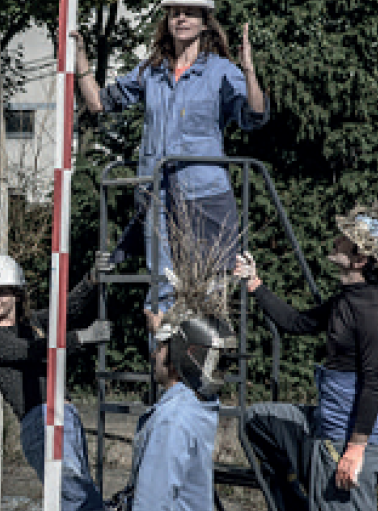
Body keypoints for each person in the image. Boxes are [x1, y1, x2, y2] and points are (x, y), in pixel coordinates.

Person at [233, 156, 378, 511]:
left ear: (360, 257)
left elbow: (374, 383)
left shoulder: (373, 312)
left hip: (344, 442)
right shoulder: (345, 300)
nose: (338, 239)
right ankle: (296, 509)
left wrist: (355, 450)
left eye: (346, 238)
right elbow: (297, 323)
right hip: (324, 426)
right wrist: (254, 284)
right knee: (256, 420)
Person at [72, 0, 270, 331]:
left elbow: (255, 117)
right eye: (175, 12)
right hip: (155, 193)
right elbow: (99, 104)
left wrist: (249, 70)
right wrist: (79, 57)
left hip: (204, 195)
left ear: (205, 22)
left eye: (190, 13)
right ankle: (167, 376)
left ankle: (202, 373)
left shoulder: (221, 70)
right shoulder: (151, 70)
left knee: (209, 289)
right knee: (161, 289)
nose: (181, 18)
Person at [38, 313, 236, 511]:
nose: (153, 354)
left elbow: (154, 503)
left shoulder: (172, 420)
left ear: (180, 355)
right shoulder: (200, 403)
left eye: (161, 347)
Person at [0, 254, 111, 511]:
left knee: (78, 492)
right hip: (40, 420)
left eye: (1, 292)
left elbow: (68, 309)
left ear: (17, 295)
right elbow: (29, 352)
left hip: (67, 417)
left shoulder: (34, 324)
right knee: (75, 495)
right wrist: (80, 338)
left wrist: (92, 279)